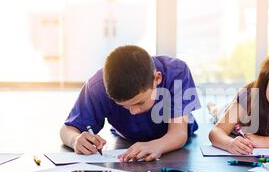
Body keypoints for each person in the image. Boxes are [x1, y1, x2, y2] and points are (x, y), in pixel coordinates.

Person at [60, 45, 201, 162]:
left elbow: (178, 133)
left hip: (174, 147)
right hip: (126, 142)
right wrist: (75, 139)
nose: (133, 112)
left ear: (157, 79)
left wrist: (158, 146)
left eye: (140, 102)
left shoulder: (177, 72)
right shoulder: (97, 86)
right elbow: (67, 129)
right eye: (124, 106)